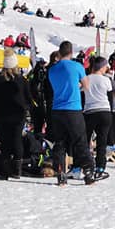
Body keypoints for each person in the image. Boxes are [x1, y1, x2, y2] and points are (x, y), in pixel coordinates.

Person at [47, 41, 96, 185]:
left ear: (59, 52)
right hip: (73, 108)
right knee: (80, 141)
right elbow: (86, 86)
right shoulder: (77, 66)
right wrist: (77, 85)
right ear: (71, 52)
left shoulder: (52, 69)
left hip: (57, 109)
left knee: (59, 142)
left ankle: (60, 173)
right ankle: (88, 172)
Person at [0, 49, 32, 179]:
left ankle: (5, 170)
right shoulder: (22, 80)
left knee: (3, 140)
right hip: (18, 114)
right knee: (17, 139)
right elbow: (29, 98)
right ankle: (17, 169)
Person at [83, 56, 113, 178]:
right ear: (101, 67)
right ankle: (100, 167)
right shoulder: (106, 80)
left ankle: (86, 166)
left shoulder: (86, 78)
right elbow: (110, 97)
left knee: (85, 140)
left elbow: (82, 95)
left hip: (90, 111)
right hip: (104, 111)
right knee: (102, 141)